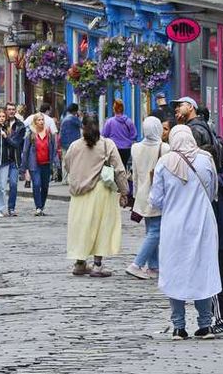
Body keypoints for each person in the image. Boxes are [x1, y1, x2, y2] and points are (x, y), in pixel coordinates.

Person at [171, 96, 223, 336]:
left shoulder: (196, 169)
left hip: (218, 233)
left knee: (216, 273)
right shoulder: (219, 176)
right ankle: (218, 319)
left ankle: (221, 320)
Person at [149, 125, 221, 340]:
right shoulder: (205, 159)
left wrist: (173, 202)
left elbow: (155, 200)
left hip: (174, 224)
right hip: (202, 222)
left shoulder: (165, 163)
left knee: (175, 272)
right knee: (203, 269)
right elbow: (212, 190)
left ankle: (179, 326)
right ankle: (205, 324)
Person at [64, 115, 128, 278]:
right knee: (101, 227)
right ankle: (97, 265)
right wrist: (124, 192)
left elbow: (67, 165)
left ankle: (80, 263)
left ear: (82, 127)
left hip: (79, 194)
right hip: (101, 191)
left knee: (81, 227)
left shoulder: (74, 146)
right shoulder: (107, 144)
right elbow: (119, 170)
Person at [126, 116, 169, 280]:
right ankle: (136, 264)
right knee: (156, 232)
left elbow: (135, 174)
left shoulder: (135, 147)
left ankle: (153, 267)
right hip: (158, 194)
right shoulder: (165, 148)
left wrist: (135, 195)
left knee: (151, 230)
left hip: (142, 195)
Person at [22, 113, 58, 216]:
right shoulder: (31, 135)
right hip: (34, 164)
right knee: (37, 184)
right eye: (39, 120)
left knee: (45, 186)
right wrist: (23, 168)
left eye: (42, 120)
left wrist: (56, 162)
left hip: (46, 163)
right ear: (35, 122)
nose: (41, 122)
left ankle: (42, 206)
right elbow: (25, 151)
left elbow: (53, 149)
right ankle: (38, 207)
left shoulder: (49, 134)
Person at [102, 98, 137, 170]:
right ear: (123, 109)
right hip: (126, 149)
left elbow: (104, 135)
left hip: (113, 148)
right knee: (123, 167)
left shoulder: (109, 122)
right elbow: (134, 135)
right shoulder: (129, 121)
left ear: (114, 109)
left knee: (114, 169)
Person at [5, 104, 26, 216]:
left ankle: (11, 208)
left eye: (13, 109)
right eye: (9, 109)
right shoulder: (0, 123)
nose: (11, 111)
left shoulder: (20, 126)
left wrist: (5, 137)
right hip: (2, 159)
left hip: (14, 159)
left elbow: (16, 143)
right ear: (6, 110)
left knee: (13, 184)